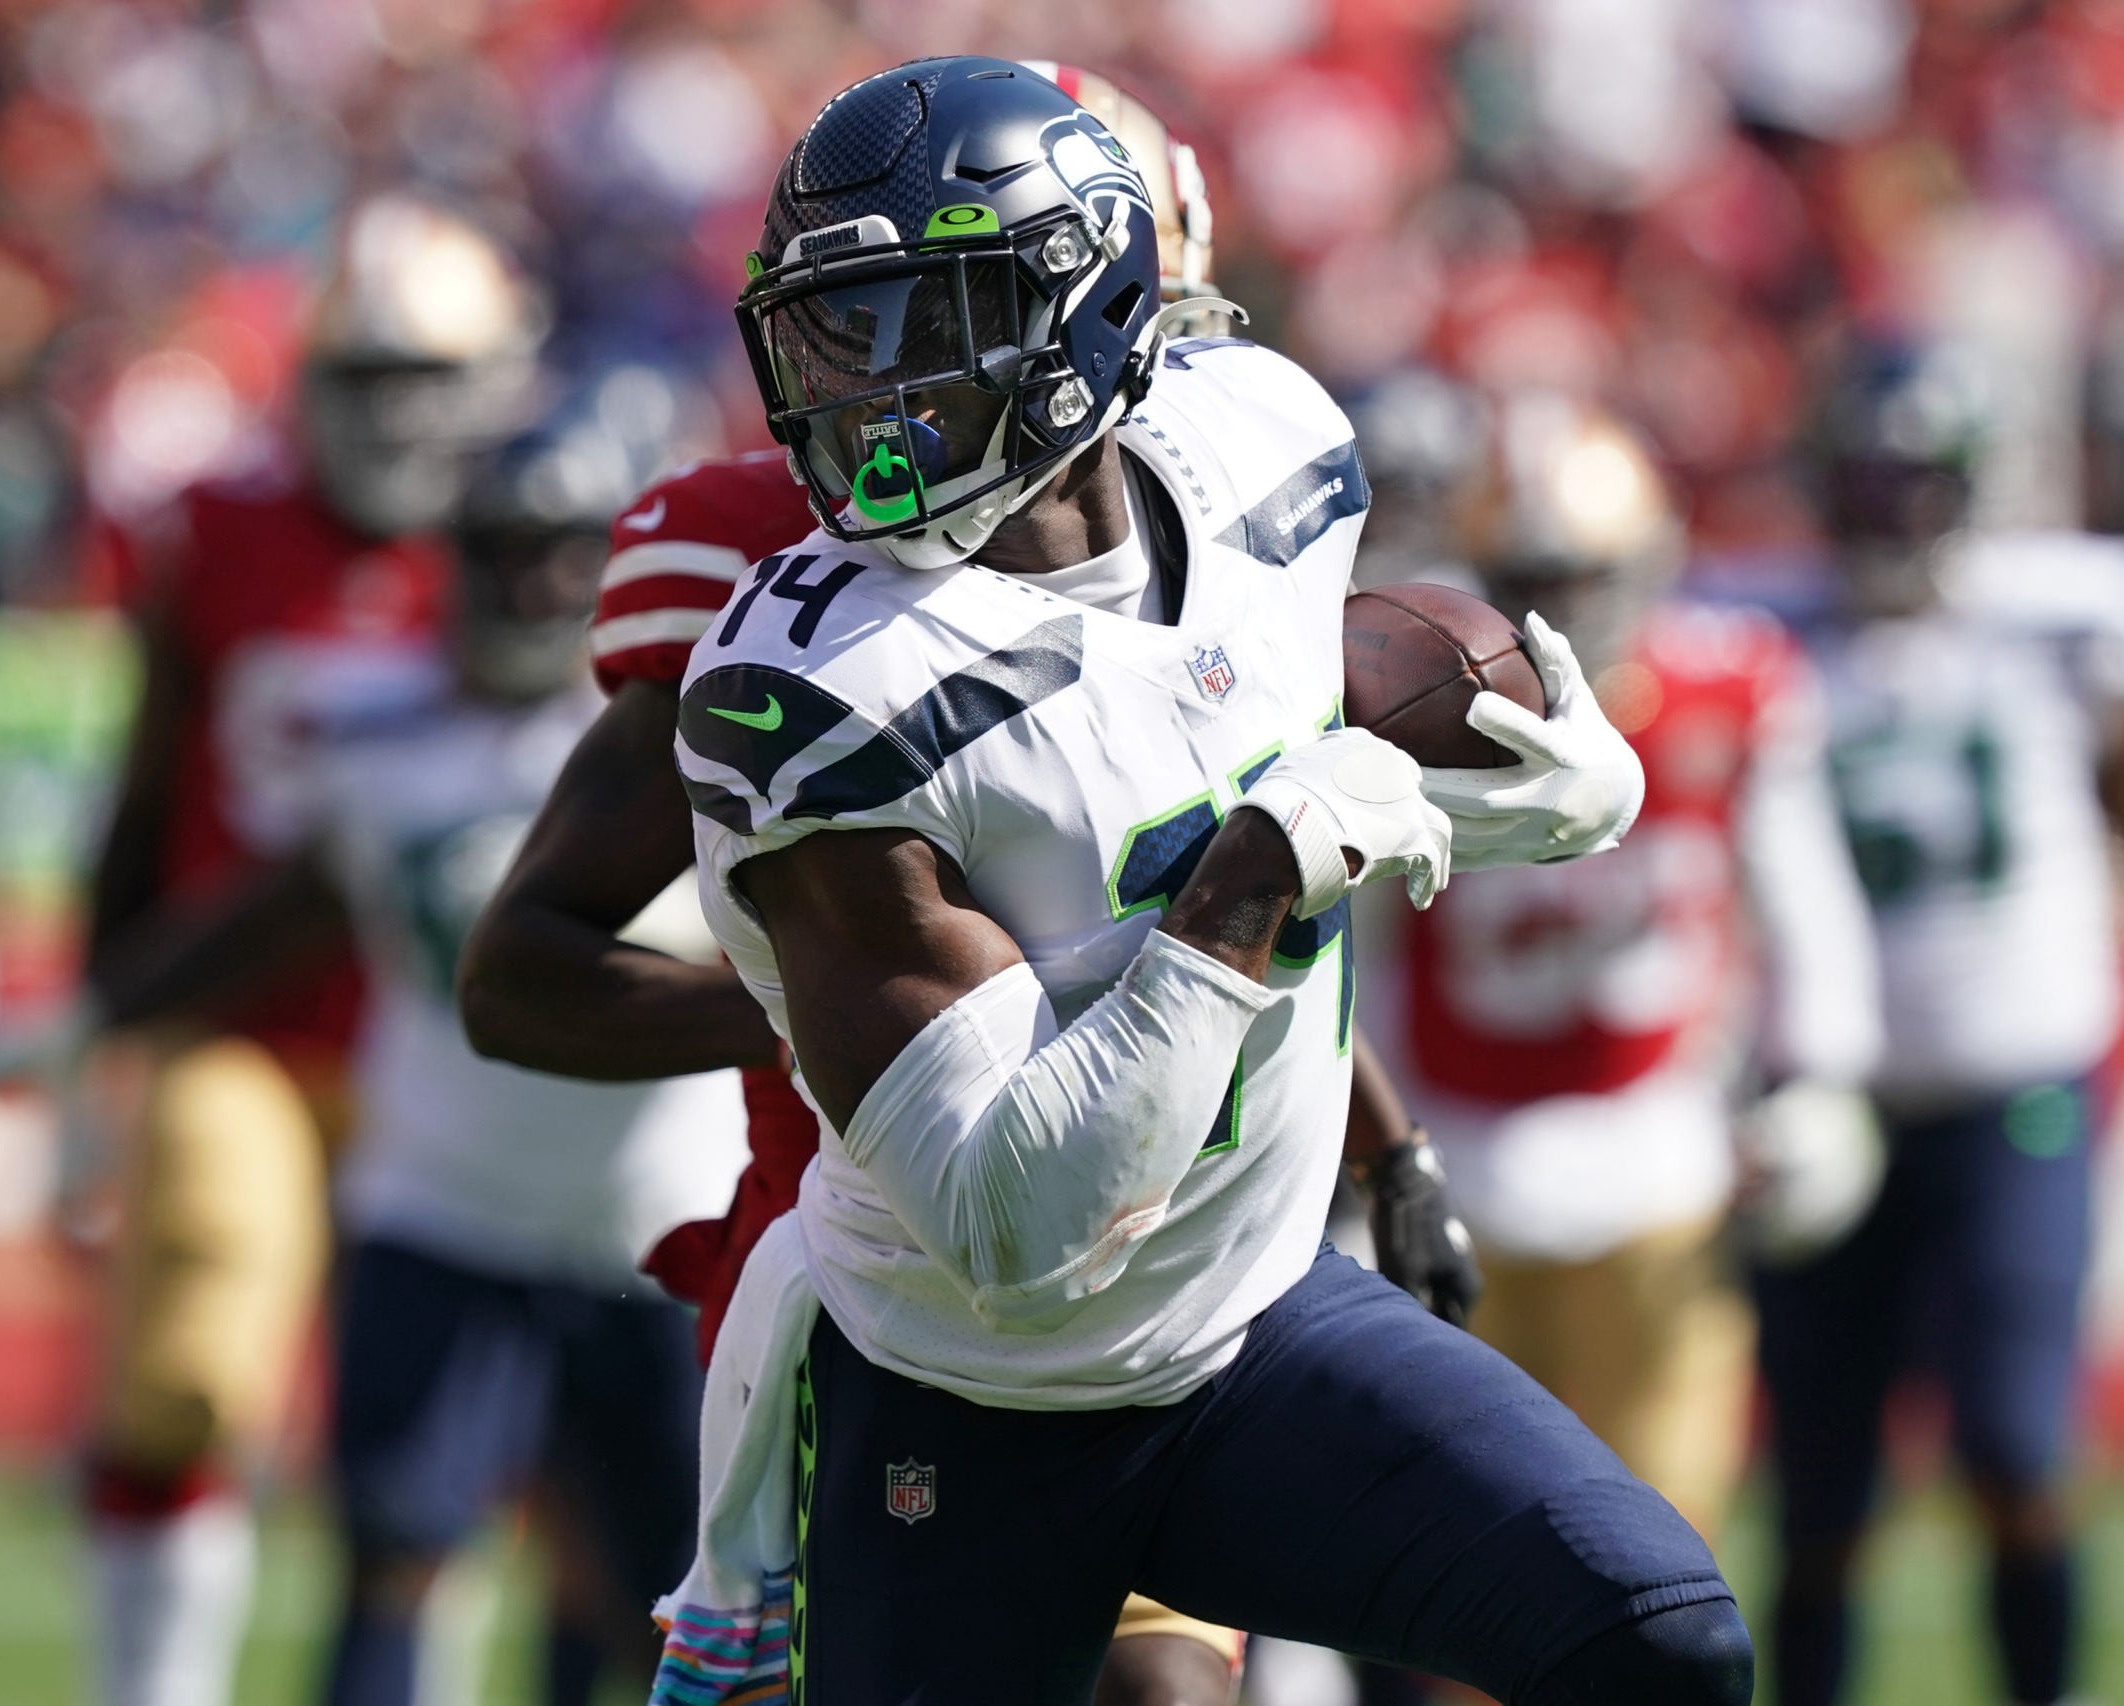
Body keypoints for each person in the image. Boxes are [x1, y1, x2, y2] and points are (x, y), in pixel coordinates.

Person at [636, 58, 1748, 1706]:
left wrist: (1529, 768)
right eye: (833, 326)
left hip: (1254, 1327)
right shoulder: (812, 691)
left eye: (927, 318)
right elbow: (1023, 1220)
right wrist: (1258, 874)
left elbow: (1305, 695)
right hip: (968, 1398)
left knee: (1658, 1638)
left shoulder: (1263, 445)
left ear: (1086, 304)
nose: (869, 389)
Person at [455, 68, 1478, 1706]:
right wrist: (817, 1017)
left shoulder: (1224, 508)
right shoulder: (778, 575)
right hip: (882, 1285)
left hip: (1163, 1276)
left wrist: (1384, 1140)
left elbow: (1232, 877)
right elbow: (523, 971)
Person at [87, 384, 751, 1706]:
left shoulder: (697, 730)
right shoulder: (375, 733)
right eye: (499, 549)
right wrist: (74, 1019)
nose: (528, 580)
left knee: (674, 1601)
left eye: (556, 549)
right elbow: (275, 913)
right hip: (443, 1213)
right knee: (395, 1551)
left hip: (660, 1225)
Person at [66, 195, 541, 1706]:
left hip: (454, 1039)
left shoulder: (535, 542)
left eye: (426, 384)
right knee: (192, 1364)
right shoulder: (214, 531)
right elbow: (144, 791)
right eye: (367, 384)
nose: (396, 421)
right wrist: (103, 1022)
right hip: (243, 1022)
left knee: (436, 1427)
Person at [1363, 394, 1884, 1547]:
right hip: (1460, 1159)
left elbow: (1804, 903)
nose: (1563, 611)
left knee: (1660, 1542)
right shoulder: (1419, 705)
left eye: (1588, 574)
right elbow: (1370, 952)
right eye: (1530, 575)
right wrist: (1367, 1147)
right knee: (1467, 1555)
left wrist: (1820, 1076)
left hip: (1657, 1153)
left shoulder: (1724, 685)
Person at [1756, 342, 2124, 1706]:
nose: (1891, 514)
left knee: (2016, 1448)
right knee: (1823, 1493)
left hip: (2018, 1096)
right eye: (1868, 484)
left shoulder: (2067, 614)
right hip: (1826, 1109)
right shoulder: (1755, 628)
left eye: (1914, 484)